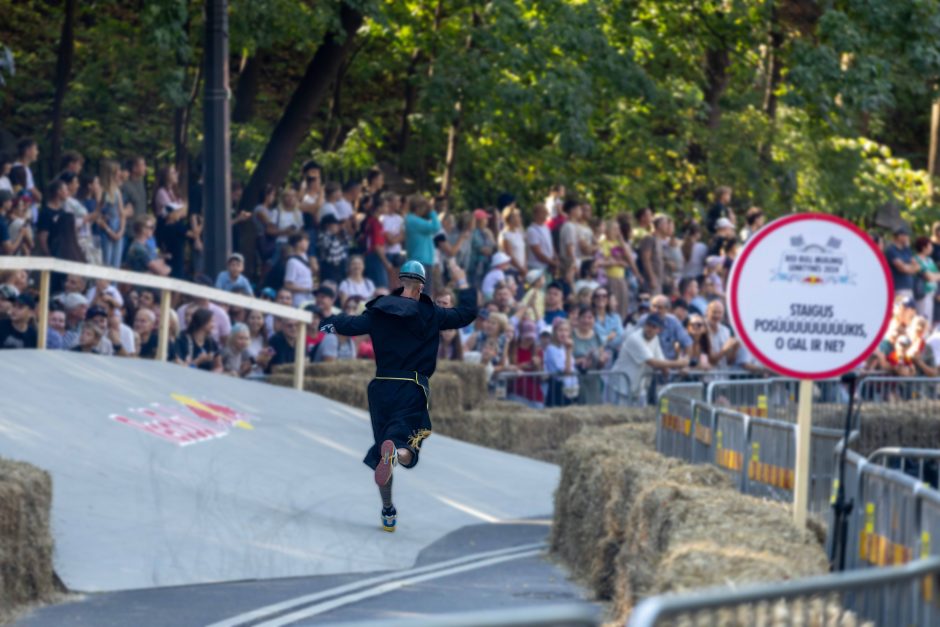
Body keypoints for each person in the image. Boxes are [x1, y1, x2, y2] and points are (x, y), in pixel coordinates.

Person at [318, 259, 477, 532]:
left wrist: (324, 324)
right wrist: (462, 281)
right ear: (422, 285)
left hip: (380, 388)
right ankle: (398, 453)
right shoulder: (432, 314)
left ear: (399, 282)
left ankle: (387, 509)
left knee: (384, 446)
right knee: (409, 441)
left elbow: (349, 324)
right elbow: (468, 313)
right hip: (411, 388)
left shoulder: (379, 311)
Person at [611, 314, 688, 403]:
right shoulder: (635, 338)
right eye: (648, 325)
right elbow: (652, 362)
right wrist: (679, 364)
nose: (650, 329)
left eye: (654, 326)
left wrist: (669, 370)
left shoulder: (655, 339)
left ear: (659, 330)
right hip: (620, 389)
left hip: (639, 390)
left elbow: (661, 361)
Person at [98, 160, 127, 268]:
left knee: (116, 264)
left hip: (117, 228)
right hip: (107, 229)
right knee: (107, 262)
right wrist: (109, 230)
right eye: (117, 171)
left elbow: (121, 213)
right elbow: (98, 214)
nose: (120, 173)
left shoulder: (117, 191)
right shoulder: (103, 190)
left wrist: (121, 231)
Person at [174, 308, 223, 372]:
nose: (213, 325)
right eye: (211, 321)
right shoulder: (182, 339)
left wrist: (213, 375)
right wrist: (198, 361)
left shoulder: (211, 342)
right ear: (203, 322)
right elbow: (180, 366)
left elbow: (219, 366)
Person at [526, 203, 557, 275]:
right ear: (536, 214)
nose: (546, 214)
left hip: (548, 267)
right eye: (543, 212)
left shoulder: (546, 228)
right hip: (537, 267)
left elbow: (551, 246)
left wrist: (555, 257)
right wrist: (553, 263)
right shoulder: (532, 230)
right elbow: (538, 253)